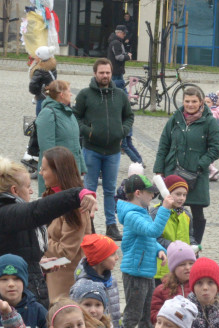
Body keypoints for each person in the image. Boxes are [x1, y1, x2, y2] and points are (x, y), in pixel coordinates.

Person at [0, 157, 97, 306]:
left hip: (19, 292)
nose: (31, 190)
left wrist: (34, 264)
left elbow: (10, 253)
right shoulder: (4, 214)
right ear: (14, 190)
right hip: (12, 300)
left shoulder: (1, 213)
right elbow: (36, 211)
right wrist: (77, 194)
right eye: (28, 186)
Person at [153, 86, 219, 245]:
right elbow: (164, 143)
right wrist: (158, 169)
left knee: (197, 212)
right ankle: (166, 242)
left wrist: (200, 164)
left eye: (194, 101)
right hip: (173, 171)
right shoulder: (175, 118)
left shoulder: (210, 121)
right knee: (168, 208)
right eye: (187, 101)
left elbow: (215, 149)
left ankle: (195, 245)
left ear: (201, 102)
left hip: (196, 174)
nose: (190, 104)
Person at [74, 58, 134, 238]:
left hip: (113, 152)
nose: (105, 76)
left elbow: (129, 117)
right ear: (95, 74)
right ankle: (87, 225)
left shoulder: (120, 95)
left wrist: (122, 131)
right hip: (91, 150)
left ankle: (111, 225)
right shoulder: (85, 95)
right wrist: (88, 132)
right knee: (88, 189)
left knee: (110, 190)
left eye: (108, 72)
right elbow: (75, 117)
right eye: (102, 73)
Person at [118, 174, 175, 328]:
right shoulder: (132, 216)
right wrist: (164, 208)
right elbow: (153, 231)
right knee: (132, 314)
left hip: (146, 270)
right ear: (138, 193)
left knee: (147, 313)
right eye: (150, 193)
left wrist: (159, 249)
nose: (153, 197)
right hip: (135, 273)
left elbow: (148, 239)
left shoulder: (141, 213)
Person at [40, 146, 94, 300]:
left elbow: (66, 252)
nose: (40, 173)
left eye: (44, 169)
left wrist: (38, 240)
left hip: (66, 283)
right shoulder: (51, 196)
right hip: (52, 278)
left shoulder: (75, 207)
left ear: (58, 171)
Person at [35, 80, 85, 195]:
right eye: (69, 91)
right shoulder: (48, 113)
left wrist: (81, 167)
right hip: (57, 174)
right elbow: (47, 148)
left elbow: (76, 143)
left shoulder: (69, 113)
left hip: (71, 171)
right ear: (61, 94)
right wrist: (55, 173)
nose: (71, 94)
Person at [75, 232, 123, 328]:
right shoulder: (82, 286)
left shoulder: (111, 280)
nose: (117, 258)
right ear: (101, 259)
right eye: (112, 255)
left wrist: (118, 327)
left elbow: (115, 308)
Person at [150, 176, 192, 282]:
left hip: (181, 267)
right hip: (161, 268)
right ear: (167, 194)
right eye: (178, 194)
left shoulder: (186, 215)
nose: (181, 198)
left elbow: (190, 235)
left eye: (184, 195)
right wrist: (175, 247)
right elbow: (154, 238)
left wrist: (192, 247)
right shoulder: (156, 213)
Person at [150, 240, 195, 322]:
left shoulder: (197, 286)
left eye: (191, 263)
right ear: (173, 268)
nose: (188, 267)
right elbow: (153, 316)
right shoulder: (162, 289)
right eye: (182, 264)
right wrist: (171, 314)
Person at [107, 25, 130, 89]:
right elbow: (119, 57)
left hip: (116, 70)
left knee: (118, 89)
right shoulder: (116, 43)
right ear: (118, 33)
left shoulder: (116, 41)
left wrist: (125, 54)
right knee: (120, 89)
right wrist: (128, 57)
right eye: (123, 33)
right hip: (116, 70)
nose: (125, 35)